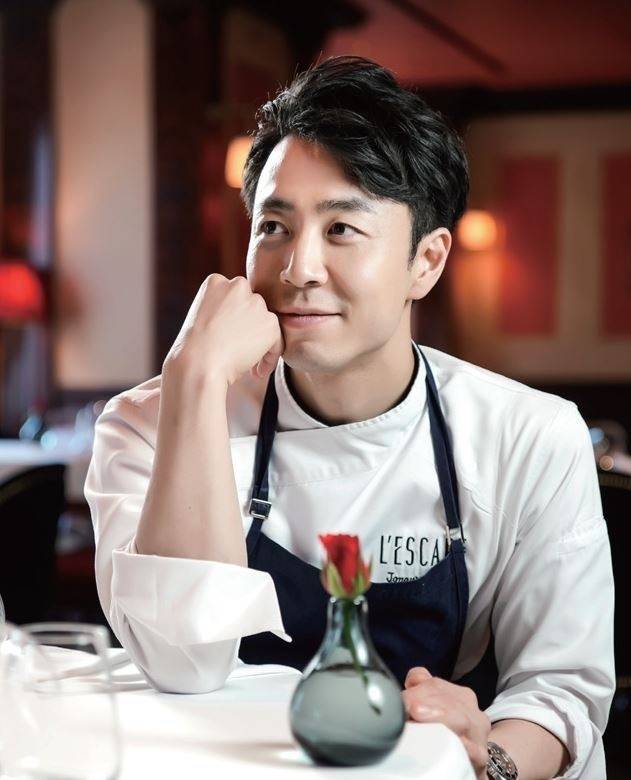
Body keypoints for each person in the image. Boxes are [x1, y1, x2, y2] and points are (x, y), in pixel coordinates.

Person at [85, 56, 615, 780]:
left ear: (426, 262)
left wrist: (480, 758)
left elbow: (560, 692)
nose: (297, 268)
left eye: (341, 229)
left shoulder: (529, 437)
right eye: (274, 226)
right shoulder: (146, 426)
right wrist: (197, 385)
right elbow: (182, 663)